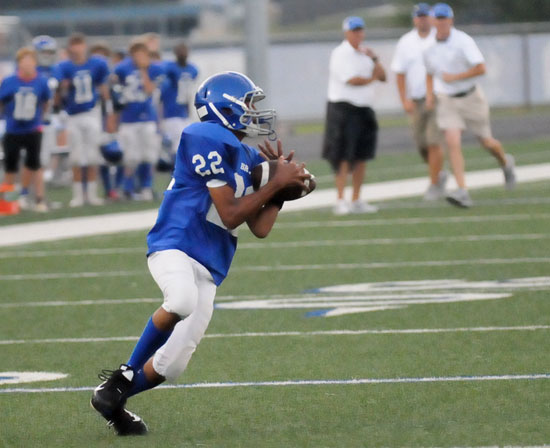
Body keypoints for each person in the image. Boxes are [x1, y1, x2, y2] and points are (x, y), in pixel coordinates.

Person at [90, 71, 310, 435]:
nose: (256, 112)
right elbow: (230, 213)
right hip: (175, 244)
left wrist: (279, 194)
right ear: (226, 108)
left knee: (171, 365)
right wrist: (274, 182)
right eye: (249, 105)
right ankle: (123, 373)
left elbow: (259, 228)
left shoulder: (247, 155)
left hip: (210, 263)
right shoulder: (203, 135)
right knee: (180, 299)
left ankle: (111, 401)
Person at [424, 3, 516, 208]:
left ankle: (505, 162)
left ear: (451, 20)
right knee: (452, 141)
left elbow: (481, 68)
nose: (441, 22)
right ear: (433, 21)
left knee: (487, 143)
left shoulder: (463, 41)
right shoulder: (429, 47)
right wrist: (430, 95)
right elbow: (429, 73)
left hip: (471, 97)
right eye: (437, 18)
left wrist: (456, 77)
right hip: (447, 99)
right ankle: (462, 190)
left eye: (444, 18)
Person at [323, 16, 387, 215]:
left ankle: (357, 199)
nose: (358, 34)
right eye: (354, 30)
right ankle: (341, 199)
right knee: (343, 155)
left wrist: (375, 59)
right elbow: (352, 80)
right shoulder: (340, 53)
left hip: (364, 109)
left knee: (361, 156)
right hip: (344, 109)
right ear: (347, 33)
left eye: (360, 30)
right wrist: (372, 78)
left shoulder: (365, 53)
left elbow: (383, 77)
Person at [391, 3, 447, 201]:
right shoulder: (406, 42)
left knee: (434, 141)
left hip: (439, 97)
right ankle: (438, 173)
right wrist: (404, 99)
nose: (422, 19)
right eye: (419, 16)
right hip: (416, 99)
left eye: (425, 16)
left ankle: (434, 184)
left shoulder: (440, 38)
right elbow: (399, 73)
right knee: (421, 143)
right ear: (414, 19)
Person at [57, 32, 114, 207]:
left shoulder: (97, 63)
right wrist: (63, 89)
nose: (77, 49)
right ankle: (78, 196)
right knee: (75, 157)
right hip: (73, 115)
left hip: (92, 112)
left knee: (92, 155)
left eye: (79, 44)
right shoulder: (63, 66)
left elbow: (104, 88)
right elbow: (58, 94)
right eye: (74, 45)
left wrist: (109, 113)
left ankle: (91, 194)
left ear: (84, 46)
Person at [0, 47, 51, 212]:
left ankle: (36, 199)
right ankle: (9, 203)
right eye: (25, 60)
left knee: (34, 165)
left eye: (31, 60)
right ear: (19, 63)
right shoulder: (10, 81)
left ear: (35, 62)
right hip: (13, 129)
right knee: (11, 167)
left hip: (32, 128)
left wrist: (40, 120)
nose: (28, 64)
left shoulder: (41, 81)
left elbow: (45, 102)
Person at [113, 39, 165, 200]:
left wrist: (143, 71)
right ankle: (128, 188)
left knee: (149, 155)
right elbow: (113, 85)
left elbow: (150, 91)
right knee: (131, 156)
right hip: (128, 118)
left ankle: (146, 187)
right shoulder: (122, 68)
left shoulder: (154, 68)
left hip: (147, 117)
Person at [160, 42, 199, 155]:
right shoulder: (169, 69)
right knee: (177, 145)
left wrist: (189, 110)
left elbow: (188, 92)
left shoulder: (192, 69)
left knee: (186, 143)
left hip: (184, 111)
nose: (183, 54)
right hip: (171, 112)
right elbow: (161, 95)